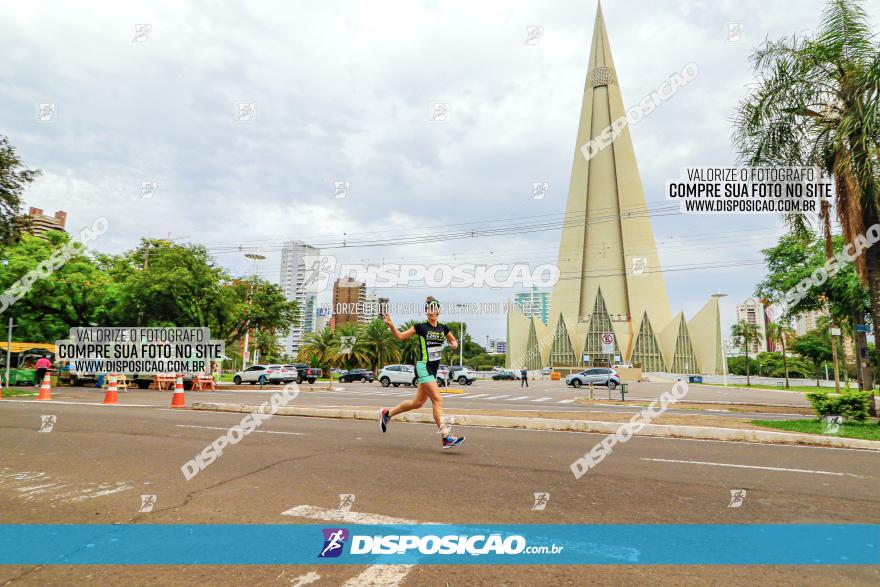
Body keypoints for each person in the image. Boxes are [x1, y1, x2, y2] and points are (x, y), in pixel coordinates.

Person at [380, 296, 465, 449]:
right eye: (430, 309)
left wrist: (454, 344)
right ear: (426, 312)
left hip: (433, 369)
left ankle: (387, 413)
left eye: (435, 308)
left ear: (438, 311)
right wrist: (391, 326)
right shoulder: (420, 327)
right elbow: (400, 337)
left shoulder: (443, 328)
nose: (433, 311)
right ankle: (446, 437)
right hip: (423, 366)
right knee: (437, 400)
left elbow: (454, 341)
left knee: (417, 403)